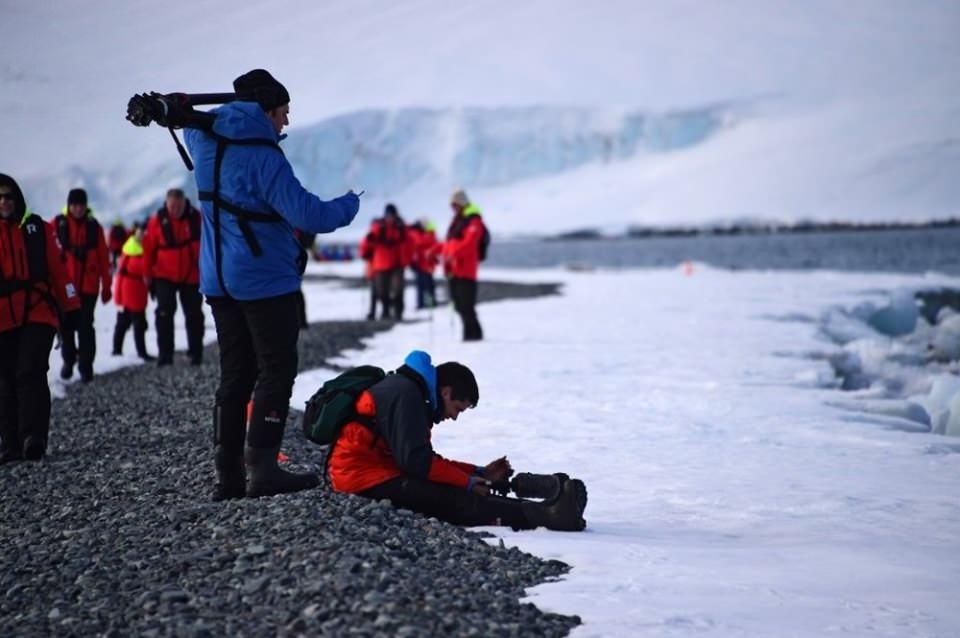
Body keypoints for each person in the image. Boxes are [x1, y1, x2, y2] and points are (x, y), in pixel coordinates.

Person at [177, 69, 361, 500]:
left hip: (217, 278)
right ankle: (263, 470)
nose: (286, 123)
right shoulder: (263, 156)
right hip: (263, 279)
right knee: (276, 370)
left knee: (235, 374)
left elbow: (191, 120)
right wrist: (349, 205)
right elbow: (308, 215)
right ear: (267, 109)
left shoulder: (204, 142)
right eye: (283, 112)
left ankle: (228, 477)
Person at [327, 350, 588, 531]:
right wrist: (468, 482)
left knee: (455, 486)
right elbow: (418, 462)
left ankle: (547, 500)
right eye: (458, 408)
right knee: (450, 498)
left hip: (373, 471)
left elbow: (421, 460)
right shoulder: (407, 396)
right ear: (446, 391)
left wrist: (478, 473)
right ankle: (546, 516)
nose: (453, 417)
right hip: (358, 479)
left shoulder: (408, 391)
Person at [0, 174, 80, 462]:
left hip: (38, 309)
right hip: (2, 317)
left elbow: (59, 272)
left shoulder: (38, 230)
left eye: (9, 196)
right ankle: (9, 443)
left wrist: (71, 306)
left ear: (17, 198)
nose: (4, 201)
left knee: (29, 370)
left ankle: (33, 437)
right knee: (5, 378)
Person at [55, 188, 112, 383]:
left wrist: (107, 286)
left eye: (81, 205)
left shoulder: (94, 227)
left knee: (86, 326)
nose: (78, 208)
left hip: (88, 286)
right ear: (69, 205)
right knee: (66, 326)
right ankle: (68, 361)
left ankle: (86, 366)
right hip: (66, 288)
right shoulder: (58, 225)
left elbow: (105, 259)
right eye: (74, 205)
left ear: (86, 206)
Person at [142, 188, 204, 366]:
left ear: (184, 203)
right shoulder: (156, 221)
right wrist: (147, 276)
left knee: (194, 315)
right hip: (164, 275)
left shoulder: (196, 218)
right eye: (172, 206)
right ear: (166, 204)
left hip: (191, 274)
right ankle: (165, 354)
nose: (175, 209)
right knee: (164, 314)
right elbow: (148, 251)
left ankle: (196, 352)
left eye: (178, 206)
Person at [442, 188, 485, 341]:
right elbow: (448, 243)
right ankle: (469, 336)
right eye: (452, 205)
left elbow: (470, 244)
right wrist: (438, 251)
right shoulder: (458, 221)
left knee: (467, 307)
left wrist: (452, 253)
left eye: (455, 205)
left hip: (466, 270)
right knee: (459, 306)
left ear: (461, 203)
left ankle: (474, 337)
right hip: (454, 270)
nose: (453, 208)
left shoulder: (474, 220)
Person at [111, 223, 154, 361]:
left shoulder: (129, 249)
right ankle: (139, 352)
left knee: (126, 322)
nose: (141, 236)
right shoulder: (135, 250)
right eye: (140, 233)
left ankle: (118, 350)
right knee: (137, 322)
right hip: (132, 290)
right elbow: (139, 269)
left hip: (134, 290)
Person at [365, 204, 410, 320]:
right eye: (388, 215)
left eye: (392, 215)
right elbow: (368, 241)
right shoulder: (379, 227)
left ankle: (398, 312)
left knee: (398, 289)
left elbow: (408, 244)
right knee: (381, 291)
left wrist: (406, 259)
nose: (390, 218)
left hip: (397, 264)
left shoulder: (401, 228)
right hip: (381, 264)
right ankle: (386, 310)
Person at [408, 219, 439, 309]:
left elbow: (420, 242)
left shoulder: (428, 235)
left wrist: (414, 232)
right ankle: (423, 303)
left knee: (427, 285)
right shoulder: (424, 234)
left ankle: (429, 303)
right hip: (420, 263)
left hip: (426, 263)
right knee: (422, 285)